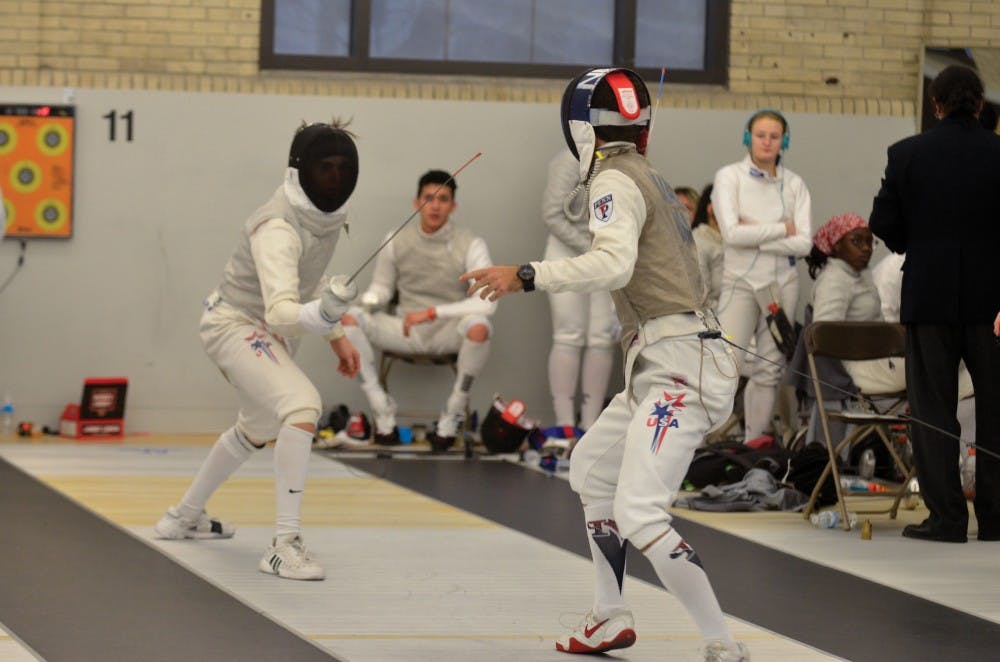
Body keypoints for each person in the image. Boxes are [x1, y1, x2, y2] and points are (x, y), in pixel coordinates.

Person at [463, 67, 748, 662]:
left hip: (681, 369)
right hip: (666, 361)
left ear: (581, 131)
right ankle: (610, 614)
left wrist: (526, 274)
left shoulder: (613, 181)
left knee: (639, 511)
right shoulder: (648, 175)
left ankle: (723, 644)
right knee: (592, 468)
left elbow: (613, 265)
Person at [154, 121, 363, 580]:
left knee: (257, 425)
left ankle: (181, 517)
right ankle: (283, 546)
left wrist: (336, 335)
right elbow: (285, 312)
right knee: (302, 405)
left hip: (265, 328)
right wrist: (328, 317)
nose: (334, 178)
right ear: (300, 171)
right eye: (324, 168)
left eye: (343, 168)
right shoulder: (277, 227)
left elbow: (304, 285)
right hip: (235, 323)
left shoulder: (323, 218)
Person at [869, 64, 1000, 543]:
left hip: (928, 297)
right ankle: (997, 518)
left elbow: (882, 222)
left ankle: (946, 518)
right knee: (996, 409)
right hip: (994, 304)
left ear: (936, 105)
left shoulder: (907, 153)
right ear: (980, 105)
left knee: (932, 409)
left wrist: (918, 246)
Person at [341, 170, 496, 450]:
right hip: (404, 329)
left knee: (480, 326)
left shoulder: (470, 243)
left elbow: (487, 302)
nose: (435, 206)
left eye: (443, 199)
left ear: (453, 206)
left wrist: (433, 313)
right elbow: (382, 289)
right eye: (429, 198)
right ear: (416, 203)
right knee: (350, 320)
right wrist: (359, 303)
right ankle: (381, 406)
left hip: (446, 331)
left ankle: (453, 411)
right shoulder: (396, 239)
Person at [711, 109, 813, 443]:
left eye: (774, 136)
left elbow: (804, 243)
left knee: (769, 370)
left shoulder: (795, 184)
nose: (767, 142)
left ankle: (753, 443)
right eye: (760, 135)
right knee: (727, 365)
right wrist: (783, 228)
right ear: (747, 138)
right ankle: (700, 446)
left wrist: (753, 230)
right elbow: (731, 235)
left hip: (781, 285)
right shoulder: (729, 177)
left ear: (784, 141)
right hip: (739, 282)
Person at [540, 147, 618, 430]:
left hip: (605, 257)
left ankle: (590, 425)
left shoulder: (624, 159)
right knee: (568, 334)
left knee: (601, 337)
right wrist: (592, 251)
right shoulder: (567, 160)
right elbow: (552, 214)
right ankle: (565, 426)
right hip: (566, 256)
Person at [691, 183, 723, 311]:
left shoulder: (734, 243)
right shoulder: (698, 243)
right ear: (710, 209)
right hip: (717, 323)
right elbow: (700, 299)